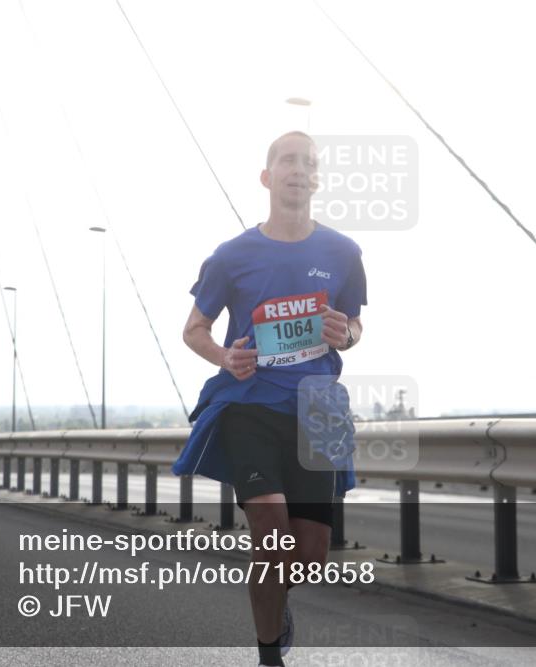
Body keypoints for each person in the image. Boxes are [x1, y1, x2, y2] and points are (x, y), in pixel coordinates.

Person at [174, 131, 367, 666]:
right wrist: (225, 357)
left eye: (309, 163)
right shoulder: (232, 256)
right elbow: (193, 329)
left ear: (318, 180)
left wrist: (346, 334)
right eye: (288, 161)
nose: (299, 169)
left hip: (317, 412)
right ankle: (269, 657)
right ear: (267, 176)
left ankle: (276, 608)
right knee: (271, 532)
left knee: (309, 556)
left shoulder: (344, 253)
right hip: (250, 406)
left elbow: (354, 324)